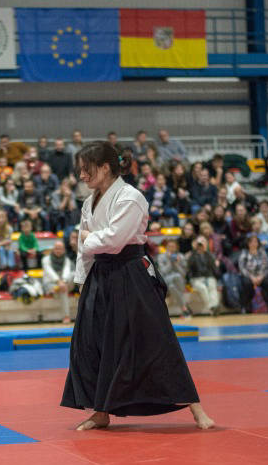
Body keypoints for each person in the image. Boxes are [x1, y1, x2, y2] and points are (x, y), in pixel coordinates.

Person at [60, 141, 213, 431]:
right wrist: (81, 280)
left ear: (105, 167)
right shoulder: (87, 202)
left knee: (156, 339)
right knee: (91, 343)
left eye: (86, 169)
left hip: (131, 274)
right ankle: (101, 411)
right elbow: (86, 247)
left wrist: (88, 237)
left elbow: (114, 241)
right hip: (99, 276)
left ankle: (196, 409)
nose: (81, 175)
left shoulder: (131, 197)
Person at [238, 233, 268, 313]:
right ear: (248, 244)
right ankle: (245, 307)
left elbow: (266, 267)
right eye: (251, 242)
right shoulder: (244, 253)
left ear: (258, 243)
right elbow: (242, 268)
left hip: (261, 276)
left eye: (255, 242)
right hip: (249, 276)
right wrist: (252, 277)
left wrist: (261, 277)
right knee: (247, 284)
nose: (253, 244)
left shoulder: (262, 253)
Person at [188, 235, 221, 316]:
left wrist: (207, 253)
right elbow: (190, 267)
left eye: (203, 243)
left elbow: (214, 269)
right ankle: (212, 307)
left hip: (209, 277)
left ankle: (214, 307)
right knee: (203, 288)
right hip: (196, 278)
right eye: (199, 244)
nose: (200, 246)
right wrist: (195, 251)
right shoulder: (192, 255)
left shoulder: (209, 255)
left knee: (212, 287)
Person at [157, 239, 191, 316]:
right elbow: (163, 272)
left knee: (172, 286)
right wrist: (170, 261)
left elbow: (184, 274)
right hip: (166, 279)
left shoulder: (181, 257)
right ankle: (185, 306)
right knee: (177, 276)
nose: (171, 248)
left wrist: (176, 264)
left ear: (176, 248)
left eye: (173, 247)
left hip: (177, 283)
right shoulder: (161, 257)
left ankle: (183, 307)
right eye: (169, 246)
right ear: (166, 247)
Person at [42, 241, 74, 324]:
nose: (58, 250)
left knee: (73, 274)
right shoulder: (45, 259)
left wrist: (63, 281)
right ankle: (66, 316)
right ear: (53, 249)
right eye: (56, 248)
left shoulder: (67, 260)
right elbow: (49, 272)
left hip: (63, 283)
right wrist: (59, 281)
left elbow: (66, 271)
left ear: (64, 250)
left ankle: (55, 291)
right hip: (52, 283)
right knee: (63, 290)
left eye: (60, 249)